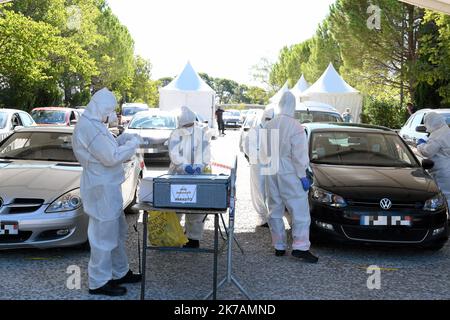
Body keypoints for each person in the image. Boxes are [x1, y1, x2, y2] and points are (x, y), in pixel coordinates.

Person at [72, 88, 142, 297]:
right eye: (110, 110)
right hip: (101, 187)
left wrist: (122, 139)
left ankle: (119, 272)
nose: (111, 114)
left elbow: (107, 147)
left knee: (117, 232)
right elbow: (110, 157)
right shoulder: (90, 127)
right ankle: (99, 281)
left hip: (107, 186)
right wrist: (132, 145)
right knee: (103, 236)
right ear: (102, 107)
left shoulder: (94, 125)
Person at [261, 91, 318, 263]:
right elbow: (299, 155)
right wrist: (303, 175)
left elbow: (262, 152)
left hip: (271, 169)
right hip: (289, 170)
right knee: (299, 210)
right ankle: (300, 247)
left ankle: (278, 246)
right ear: (293, 106)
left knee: (274, 208)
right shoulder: (295, 126)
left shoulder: (269, 125)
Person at [168, 106, 212, 248]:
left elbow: (205, 152)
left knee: (195, 209)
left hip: (197, 176)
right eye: (185, 126)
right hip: (177, 175)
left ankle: (193, 238)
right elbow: (174, 153)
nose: (188, 128)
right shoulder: (175, 134)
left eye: (189, 125)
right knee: (176, 206)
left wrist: (199, 165)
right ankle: (173, 236)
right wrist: (184, 166)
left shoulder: (202, 133)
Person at [243, 107, 275, 228]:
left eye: (271, 119)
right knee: (260, 191)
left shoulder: (274, 132)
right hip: (258, 168)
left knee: (271, 191)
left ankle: (272, 216)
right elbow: (248, 149)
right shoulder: (254, 132)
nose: (269, 121)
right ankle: (263, 218)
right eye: (267, 119)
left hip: (271, 167)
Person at [417, 112, 450, 208]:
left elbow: (428, 152)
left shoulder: (438, 135)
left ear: (431, 122)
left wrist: (420, 144)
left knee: (444, 196)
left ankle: (446, 219)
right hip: (446, 167)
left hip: (441, 171)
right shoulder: (446, 130)